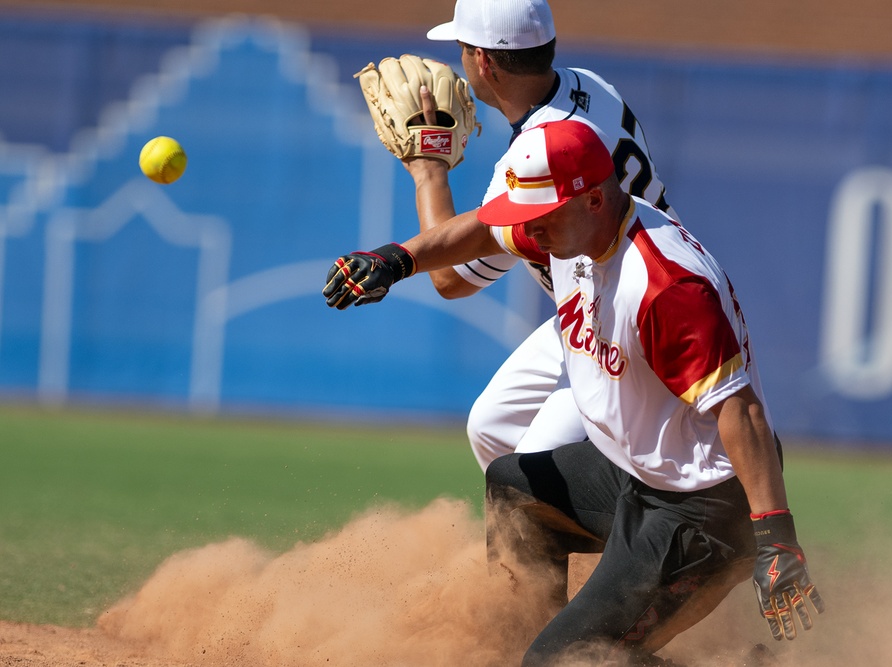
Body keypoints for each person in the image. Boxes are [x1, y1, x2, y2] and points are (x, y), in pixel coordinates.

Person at [322, 120, 824, 665]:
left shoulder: (665, 285)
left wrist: (776, 537)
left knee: (563, 661)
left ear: (591, 200)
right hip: (638, 474)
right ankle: (533, 648)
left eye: (539, 217)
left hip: (706, 507)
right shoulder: (568, 228)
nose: (528, 232)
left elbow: (740, 410)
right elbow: (483, 230)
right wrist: (398, 260)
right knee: (515, 488)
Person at [404, 0, 671, 472]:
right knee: (492, 425)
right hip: (601, 298)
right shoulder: (590, 85)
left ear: (484, 61)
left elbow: (450, 280)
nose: (461, 60)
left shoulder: (537, 152)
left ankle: (605, 535)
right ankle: (557, 535)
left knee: (531, 471)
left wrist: (429, 172)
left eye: (464, 48)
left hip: (630, 323)